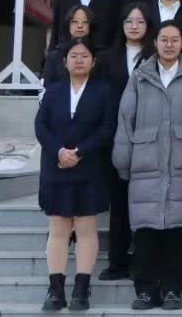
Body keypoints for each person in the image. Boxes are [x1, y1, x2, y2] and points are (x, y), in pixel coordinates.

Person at [112, 20, 182, 311]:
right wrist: (123, 160)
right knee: (146, 232)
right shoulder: (140, 77)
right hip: (146, 165)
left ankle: (173, 290)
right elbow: (125, 120)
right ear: (155, 43)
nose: (169, 45)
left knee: (179, 232)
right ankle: (145, 290)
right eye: (164, 39)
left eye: (174, 40)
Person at [35, 37, 115, 312]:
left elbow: (107, 128)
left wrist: (80, 152)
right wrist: (59, 151)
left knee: (85, 229)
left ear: (94, 62)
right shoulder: (53, 91)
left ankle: (82, 288)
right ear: (65, 62)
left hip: (90, 168)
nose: (79, 60)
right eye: (74, 56)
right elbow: (41, 126)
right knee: (58, 230)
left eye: (84, 56)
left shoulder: (104, 91)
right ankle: (55, 289)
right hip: (56, 168)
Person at [96, 3, 155, 282]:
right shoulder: (107, 58)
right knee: (118, 203)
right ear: (121, 25)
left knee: (144, 203)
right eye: (129, 21)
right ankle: (117, 262)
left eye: (140, 22)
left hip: (148, 138)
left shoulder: (155, 57)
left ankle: (143, 262)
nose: (134, 26)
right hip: (114, 138)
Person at [41, 5, 95, 85]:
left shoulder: (99, 56)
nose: (80, 26)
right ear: (68, 25)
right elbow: (46, 85)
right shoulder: (54, 56)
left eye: (85, 22)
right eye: (75, 22)